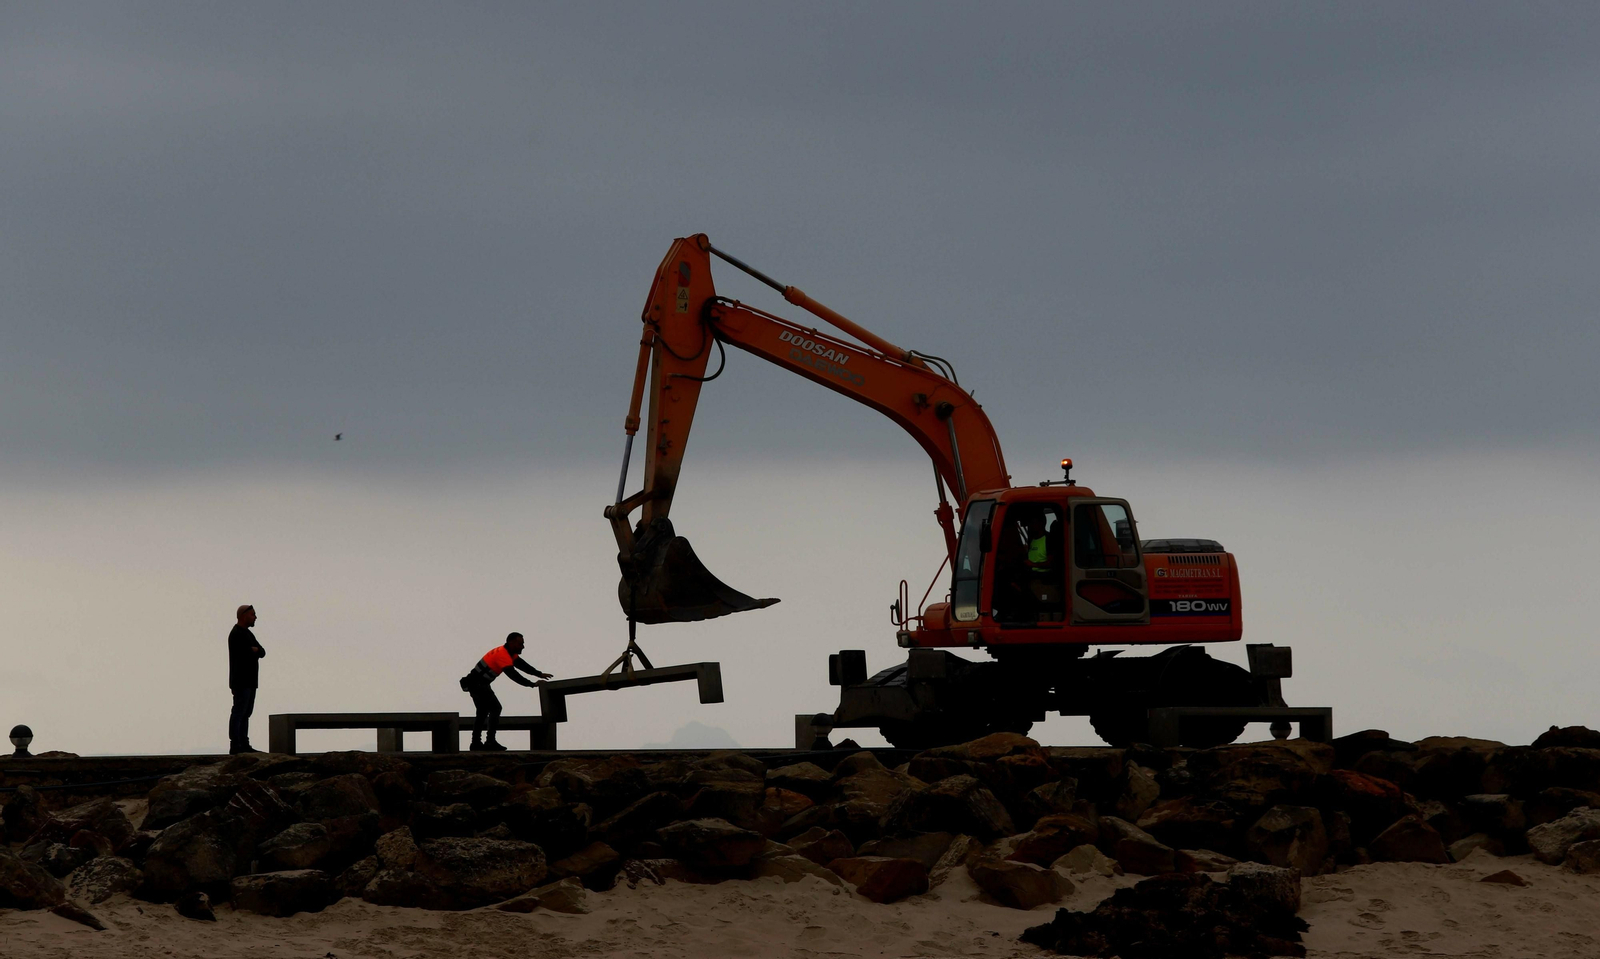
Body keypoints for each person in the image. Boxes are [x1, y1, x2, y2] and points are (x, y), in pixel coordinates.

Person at [460, 632, 552, 751]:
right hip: (477, 684)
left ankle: (476, 743)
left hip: (479, 684)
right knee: (495, 708)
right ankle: (489, 742)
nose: (523, 647)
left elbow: (522, 665)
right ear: (511, 642)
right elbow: (513, 675)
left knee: (483, 712)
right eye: (520, 644)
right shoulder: (502, 655)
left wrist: (539, 674)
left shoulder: (509, 653)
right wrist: (532, 684)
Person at [228, 604, 266, 754]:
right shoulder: (236, 633)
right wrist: (252, 651)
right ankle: (236, 744)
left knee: (246, 712)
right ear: (244, 616)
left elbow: (262, 651)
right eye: (252, 614)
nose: (255, 617)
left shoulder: (248, 634)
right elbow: (245, 654)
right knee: (239, 711)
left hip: (251, 681)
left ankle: (244, 743)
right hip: (241, 681)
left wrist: (255, 650)